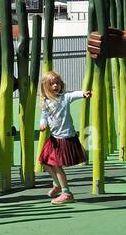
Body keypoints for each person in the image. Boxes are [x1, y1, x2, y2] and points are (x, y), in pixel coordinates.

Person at [37, 71, 90, 204]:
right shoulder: (46, 102)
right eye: (52, 84)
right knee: (43, 161)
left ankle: (66, 193)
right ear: (45, 87)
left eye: (57, 83)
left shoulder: (64, 97)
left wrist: (83, 94)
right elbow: (44, 116)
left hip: (65, 137)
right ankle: (57, 184)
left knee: (57, 166)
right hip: (54, 138)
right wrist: (43, 123)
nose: (56, 86)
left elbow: (73, 95)